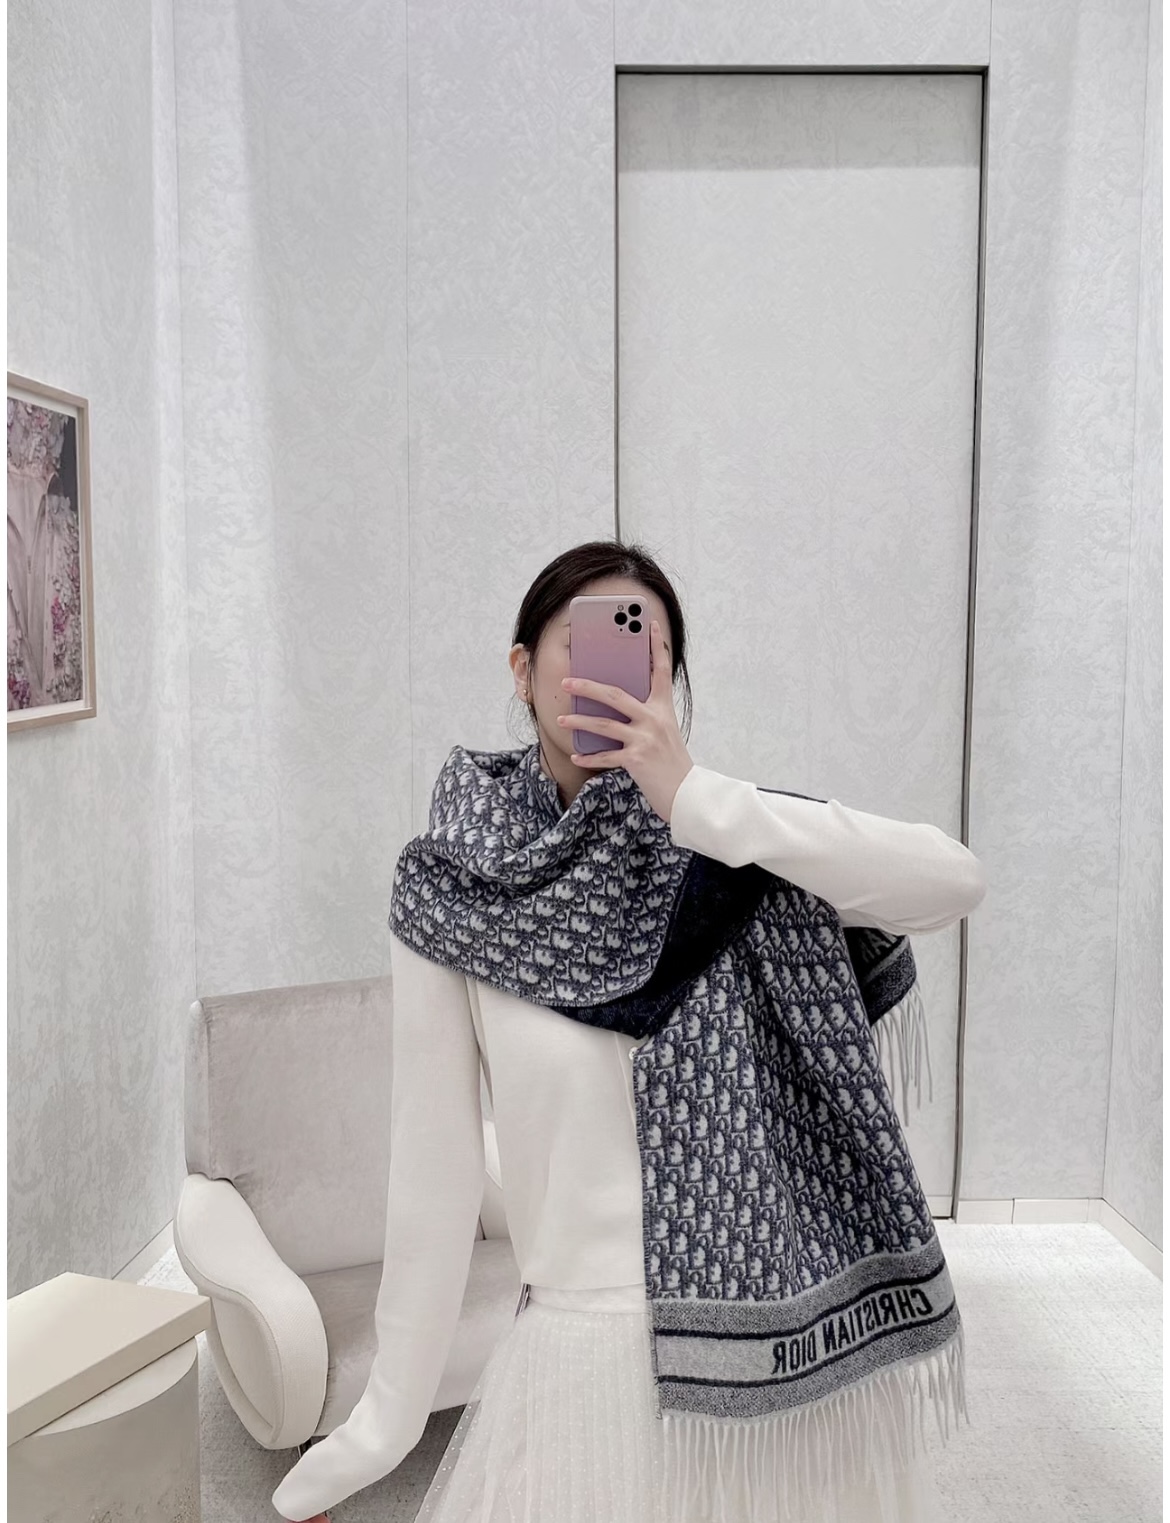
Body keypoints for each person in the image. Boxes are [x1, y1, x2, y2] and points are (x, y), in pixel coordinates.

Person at [272, 539, 983, 1522]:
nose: (615, 670)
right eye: (587, 641)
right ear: (522, 669)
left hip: (779, 1370)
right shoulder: (454, 893)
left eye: (646, 650)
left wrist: (697, 799)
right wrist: (381, 1424)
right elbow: (432, 1168)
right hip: (579, 1363)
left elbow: (950, 880)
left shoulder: (737, 847)